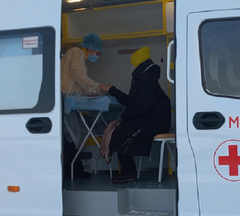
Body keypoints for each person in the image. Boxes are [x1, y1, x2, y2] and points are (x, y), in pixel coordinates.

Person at [100, 46, 171, 184]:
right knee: (120, 130)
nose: (131, 67)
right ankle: (128, 171)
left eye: (133, 64)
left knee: (119, 132)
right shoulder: (143, 78)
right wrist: (112, 90)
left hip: (155, 123)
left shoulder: (146, 79)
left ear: (138, 64)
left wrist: (123, 118)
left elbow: (142, 105)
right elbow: (132, 102)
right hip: (152, 120)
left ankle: (129, 172)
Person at [61, 33, 107, 179]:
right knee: (70, 136)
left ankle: (73, 169)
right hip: (66, 98)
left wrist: (91, 89)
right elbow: (79, 77)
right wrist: (97, 87)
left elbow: (78, 83)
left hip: (68, 97)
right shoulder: (76, 52)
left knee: (71, 135)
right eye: (97, 53)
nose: (97, 56)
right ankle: (72, 170)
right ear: (91, 48)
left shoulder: (77, 56)